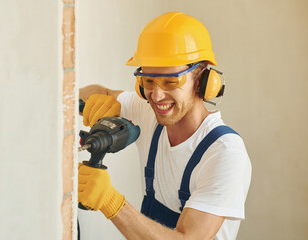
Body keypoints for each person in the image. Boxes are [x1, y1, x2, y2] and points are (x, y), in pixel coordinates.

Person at [78, 12, 251, 240]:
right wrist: (96, 101)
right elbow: (84, 93)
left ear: (203, 80)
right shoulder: (148, 113)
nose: (157, 96)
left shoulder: (225, 153)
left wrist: (111, 202)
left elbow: (188, 238)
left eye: (171, 81)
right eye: (148, 80)